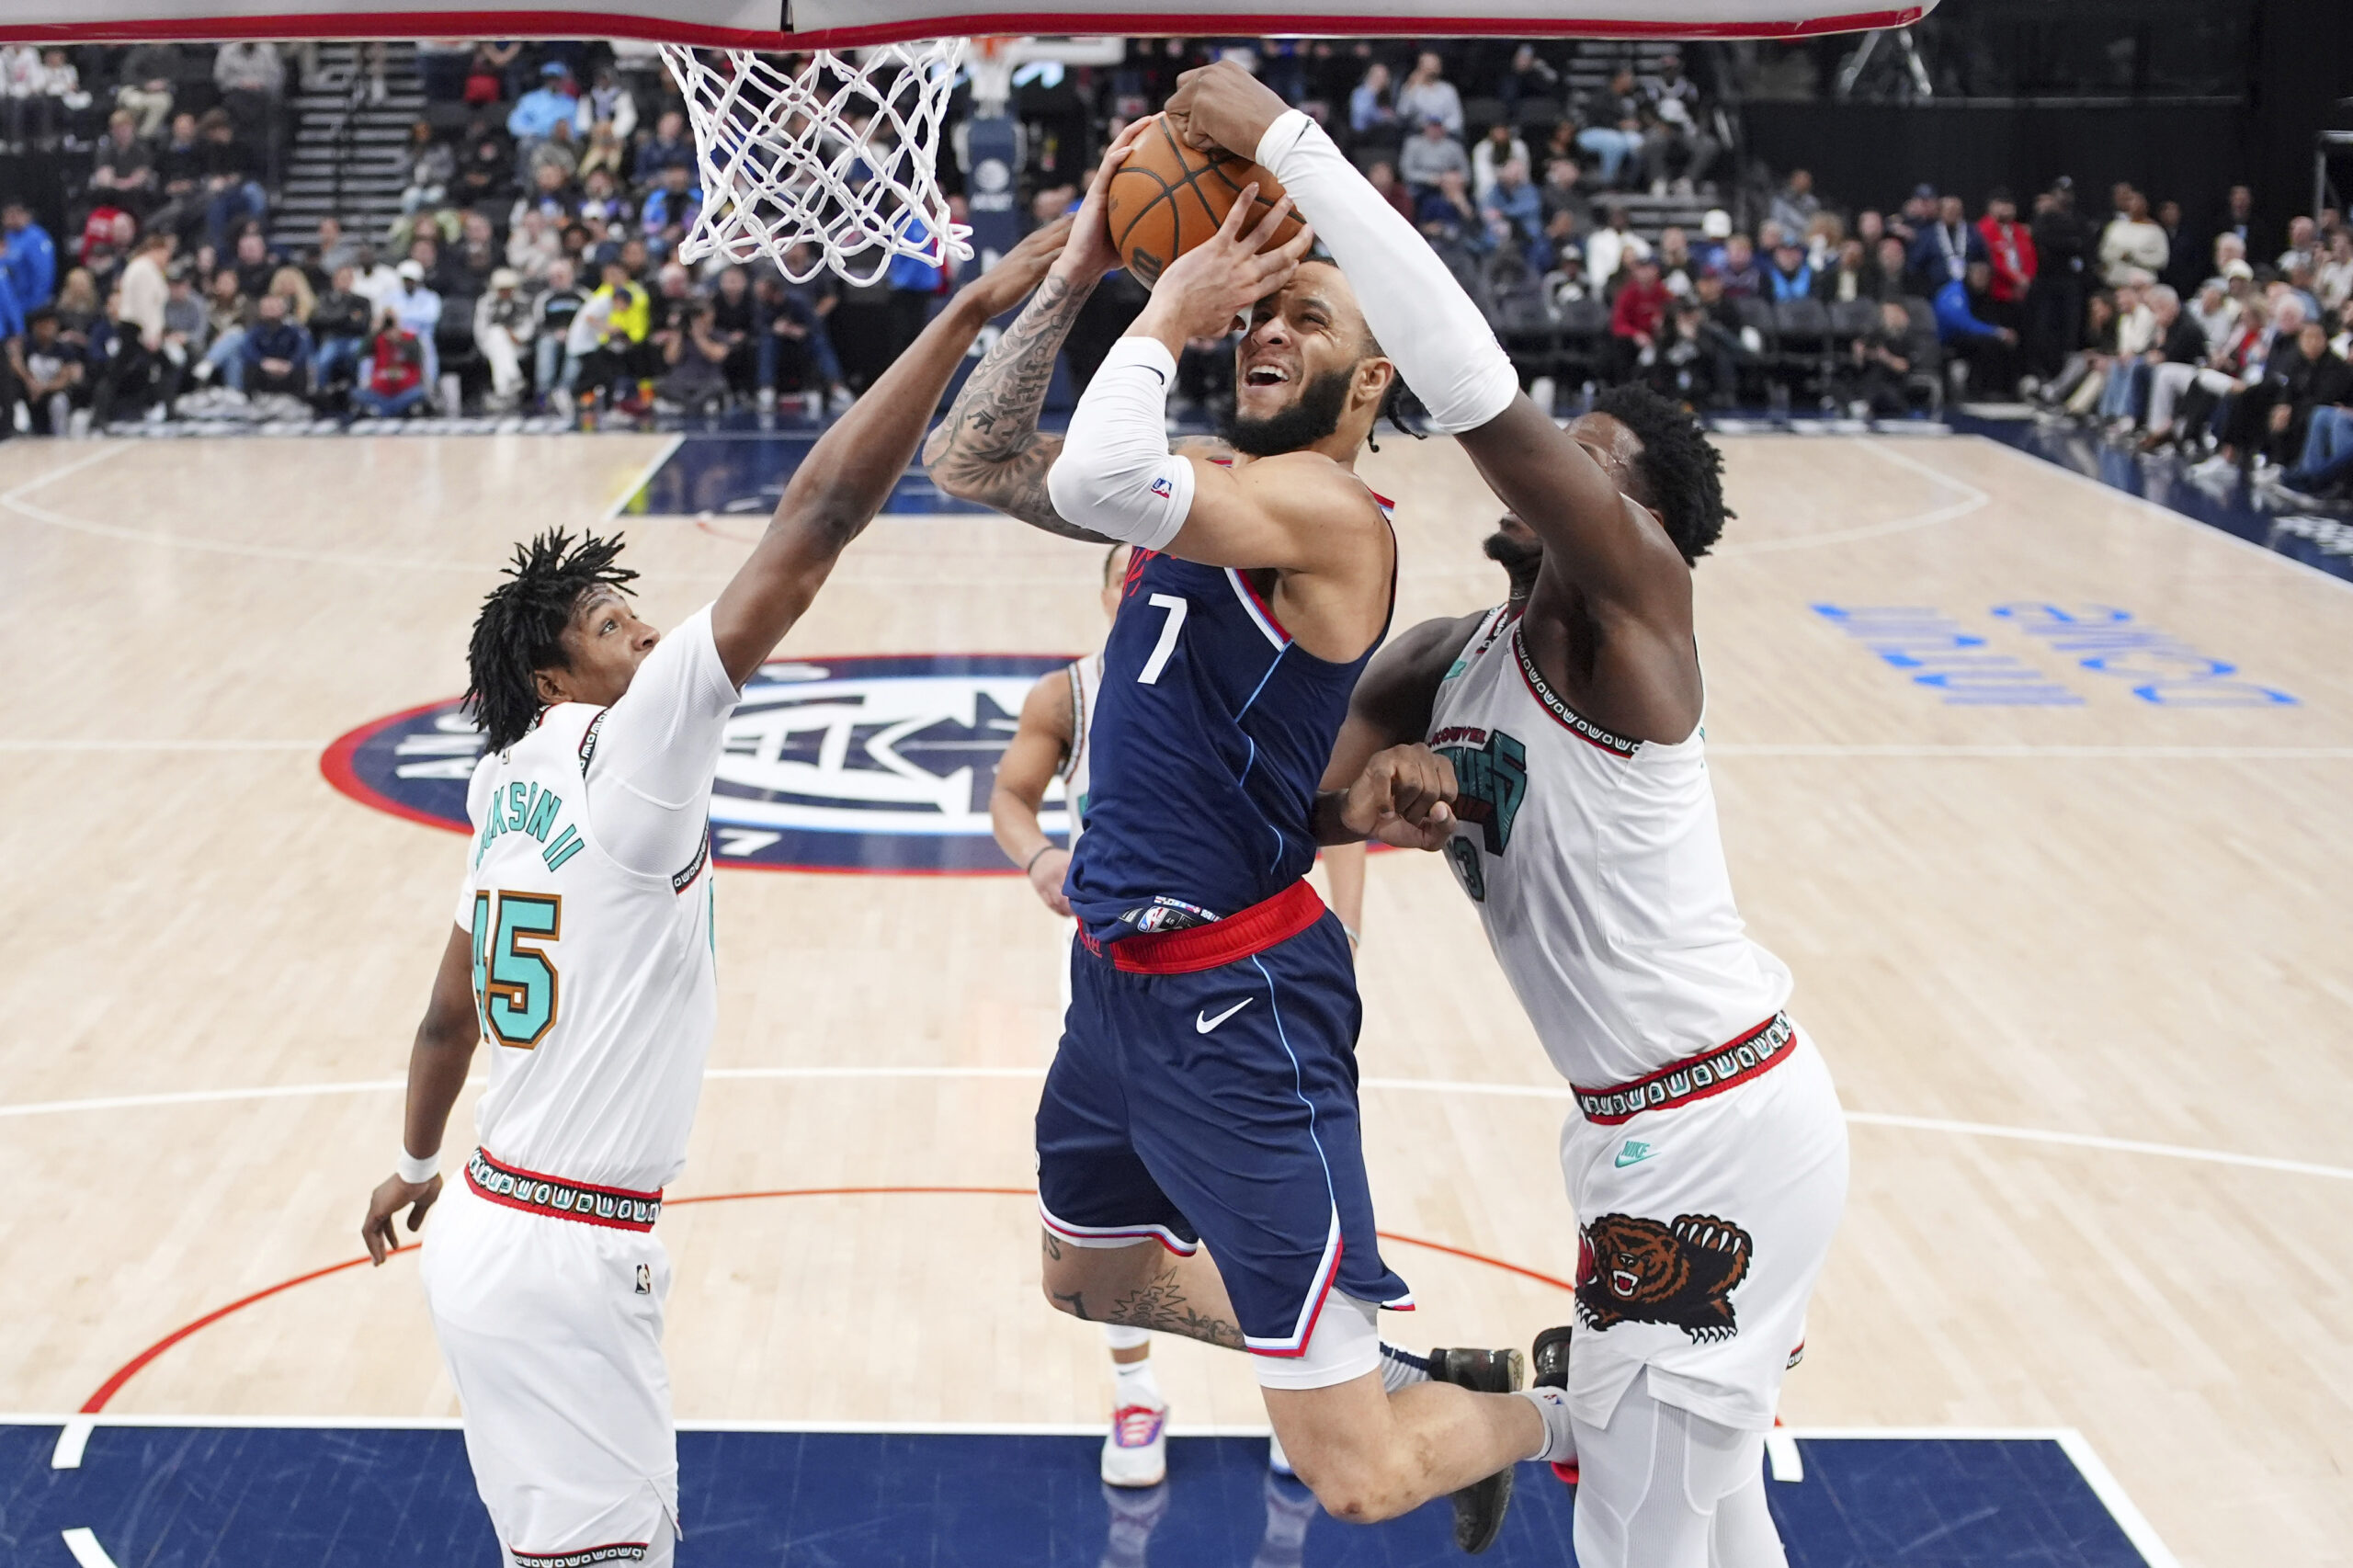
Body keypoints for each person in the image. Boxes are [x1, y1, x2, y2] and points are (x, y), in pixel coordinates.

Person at [1164, 61, 1850, 1568]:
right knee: (1706, 1525)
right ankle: (1568, 1408)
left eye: (1595, 478)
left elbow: (1474, 388)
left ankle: (1561, 1413)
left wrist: (1287, 141)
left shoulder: (1638, 617)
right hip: (1644, 1128)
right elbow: (1287, 804)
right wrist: (1372, 793)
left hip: (1717, 1122)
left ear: (1645, 529)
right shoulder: (1448, 659)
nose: (1565, 490)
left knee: (1642, 1535)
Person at [926, 116, 1540, 1555]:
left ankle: (1539, 1402)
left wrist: (1166, 308)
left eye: (1304, 313)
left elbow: (1089, 481)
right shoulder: (1205, 498)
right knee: (1086, 1278)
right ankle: (1349, 1348)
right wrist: (1082, 265)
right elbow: (970, 460)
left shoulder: (1329, 515)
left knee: (1360, 1478)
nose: (1265, 325)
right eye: (1256, 309)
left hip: (1240, 1007)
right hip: (1118, 984)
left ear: (1374, 375)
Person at [3, 201, 58, 313]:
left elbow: (44, 273)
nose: (12, 219)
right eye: (8, 215)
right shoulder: (8, 237)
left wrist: (36, 304)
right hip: (12, 302)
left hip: (32, 304)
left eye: (16, 214)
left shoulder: (36, 237)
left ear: (26, 215)